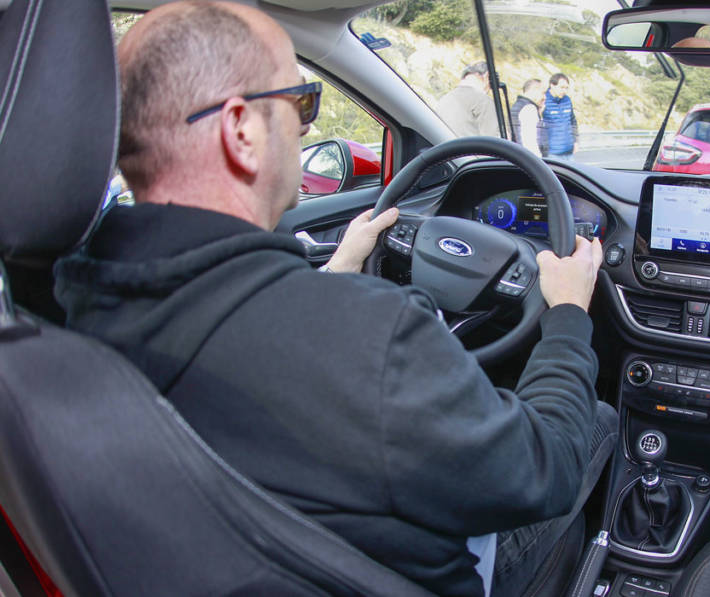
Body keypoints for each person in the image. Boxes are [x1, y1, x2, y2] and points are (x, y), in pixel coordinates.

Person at [53, 3, 616, 597]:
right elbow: (545, 466)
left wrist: (339, 268)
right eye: (300, 102)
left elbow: (273, 334)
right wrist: (568, 315)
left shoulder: (79, 294)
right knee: (595, 423)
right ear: (242, 131)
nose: (306, 127)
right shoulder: (372, 336)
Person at [436, 61, 500, 137]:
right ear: (487, 76)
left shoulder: (444, 99)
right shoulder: (483, 101)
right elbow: (492, 141)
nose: (489, 90)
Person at [541, 73, 578, 160]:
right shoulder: (543, 100)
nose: (564, 91)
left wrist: (575, 141)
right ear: (552, 85)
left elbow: (573, 121)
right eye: (561, 87)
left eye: (566, 88)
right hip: (552, 153)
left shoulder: (567, 100)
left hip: (569, 151)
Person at [511, 78, 545, 157]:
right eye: (543, 93)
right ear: (534, 91)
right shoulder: (529, 109)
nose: (544, 97)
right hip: (530, 159)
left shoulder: (518, 105)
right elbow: (530, 142)